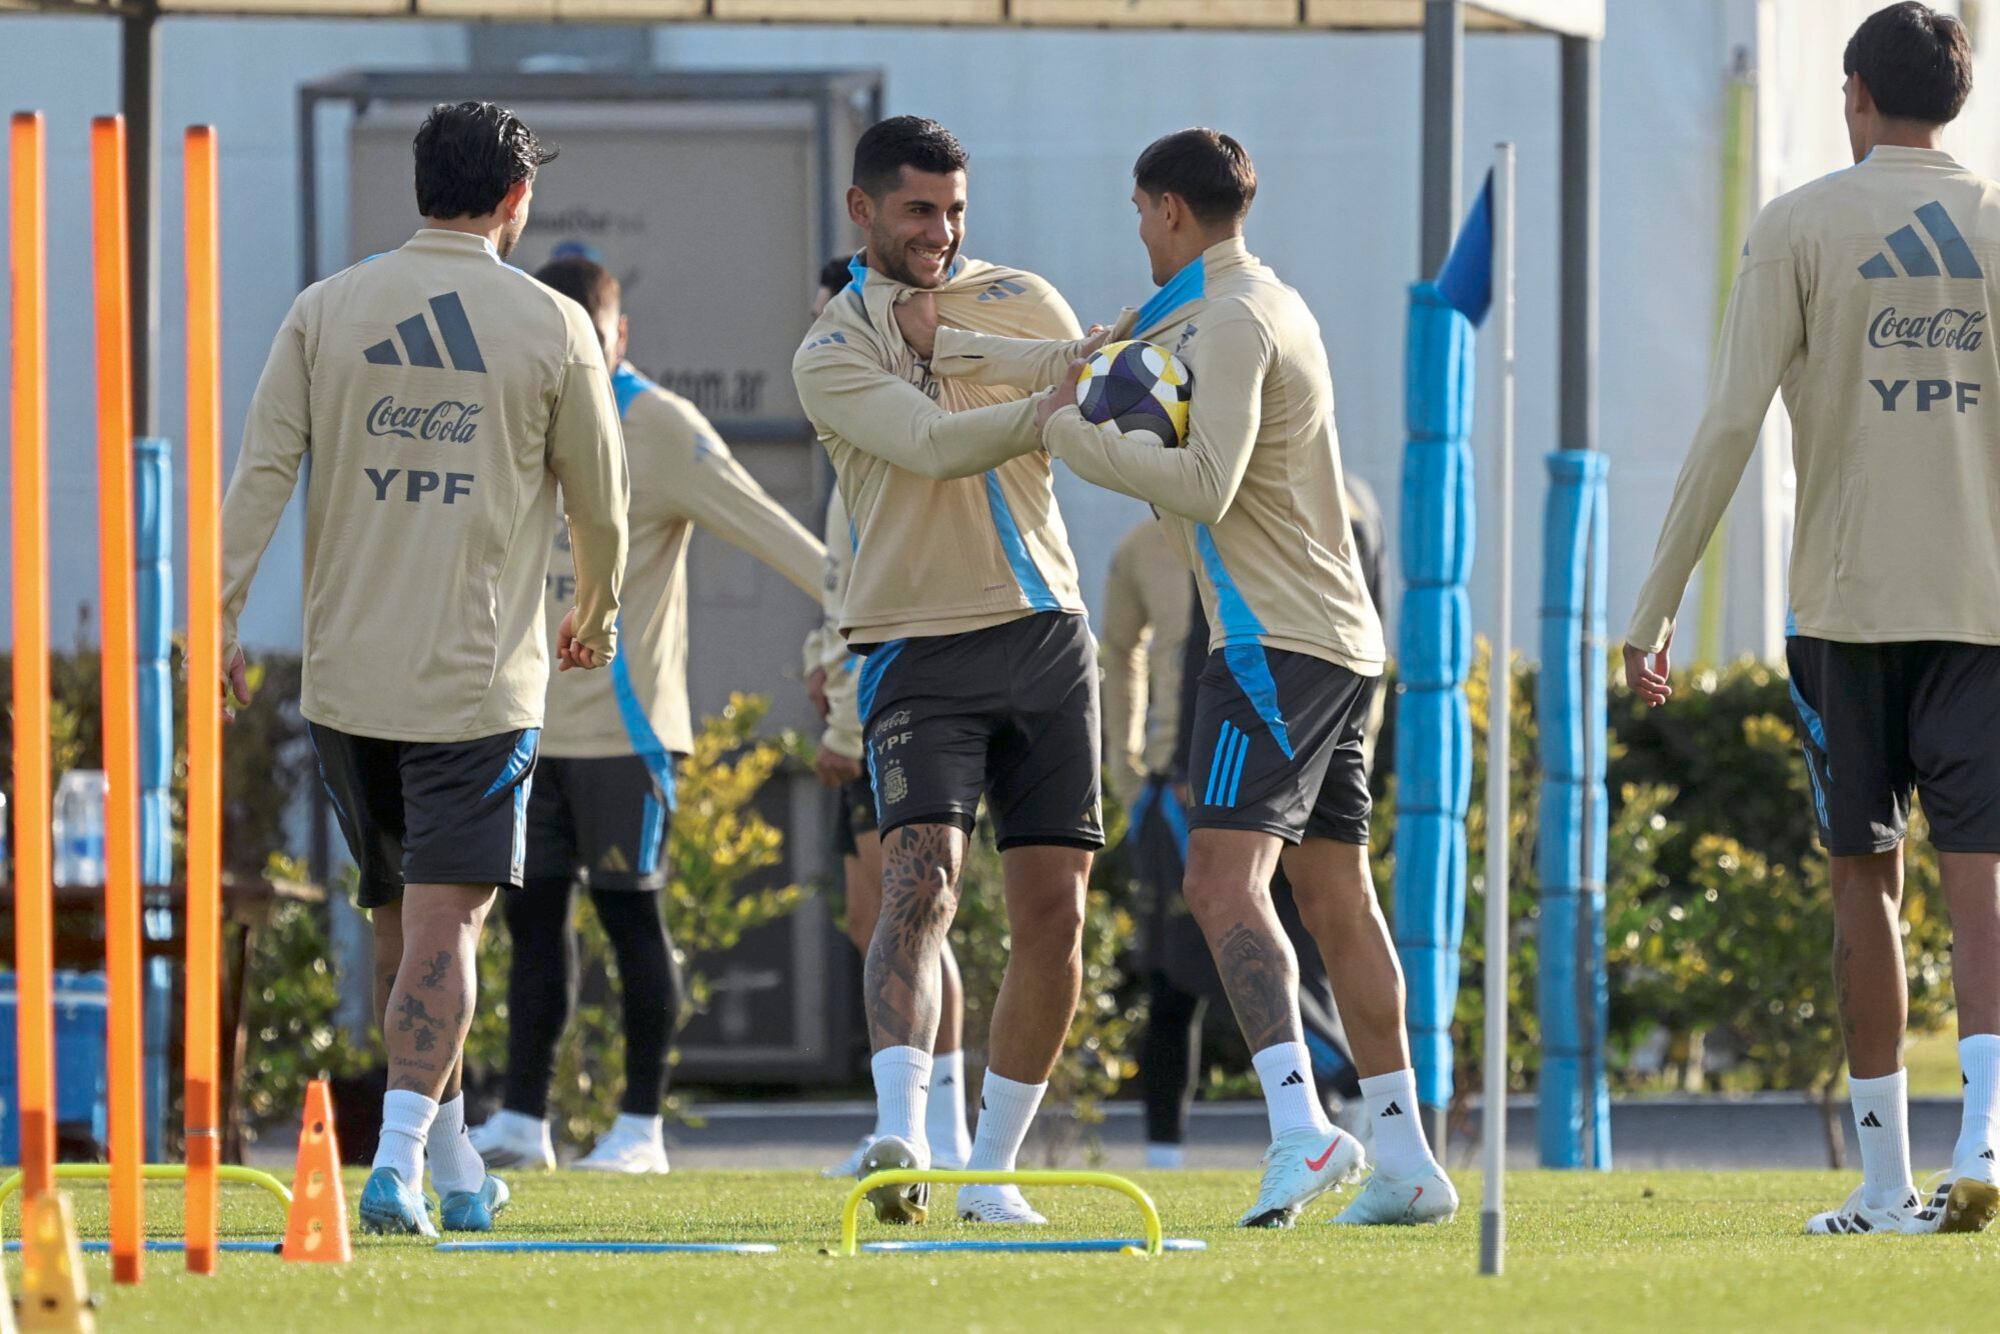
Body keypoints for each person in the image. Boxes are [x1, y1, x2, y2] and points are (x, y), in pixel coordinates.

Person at [902, 128, 1454, 1227]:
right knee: (1333, 890)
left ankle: (1299, 1128)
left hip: (1272, 640)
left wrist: (1064, 436)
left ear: (1163, 209)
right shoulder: (1225, 304)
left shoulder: (1237, 318)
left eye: (1135, 214)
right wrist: (952, 345)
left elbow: (1201, 482)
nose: (1135, 234)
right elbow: (1091, 363)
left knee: (1217, 881)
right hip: (1334, 639)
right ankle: (1406, 1159)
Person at [219, 101, 629, 1235]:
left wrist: (210, 624)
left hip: (349, 676)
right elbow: (604, 504)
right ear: (516, 201)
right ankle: (396, 1163)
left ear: (418, 187)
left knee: (402, 925)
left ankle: (453, 1170)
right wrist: (592, 610)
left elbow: (259, 478)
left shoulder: (324, 308)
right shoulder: (550, 325)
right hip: (474, 680)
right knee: (448, 926)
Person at [1624, 3, 1999, 1236]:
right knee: (1979, 877)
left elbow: (1729, 423)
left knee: (1863, 878)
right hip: (1983, 605)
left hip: (1843, 608)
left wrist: (1655, 603)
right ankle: (1985, 1137)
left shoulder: (1795, 225)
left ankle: (1886, 1182)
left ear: (1852, 93)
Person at [793, 116, 1104, 1226]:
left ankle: (992, 1170)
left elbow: (1076, 386)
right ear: (863, 210)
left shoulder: (1023, 295)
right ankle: (901, 1130)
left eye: (955, 209)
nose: (942, 230)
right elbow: (928, 441)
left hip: (1045, 629)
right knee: (915, 888)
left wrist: (1099, 376)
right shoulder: (828, 349)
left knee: (1053, 914)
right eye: (919, 209)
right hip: (912, 642)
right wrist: (1052, 399)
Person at [468, 256, 825, 1174]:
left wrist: (866, 610)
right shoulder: (509, 413)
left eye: (592, 335)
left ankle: (640, 1129)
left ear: (619, 337)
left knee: (632, 923)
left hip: (624, 730)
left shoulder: (659, 426)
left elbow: (768, 527)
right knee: (531, 927)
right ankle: (521, 1120)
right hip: (522, 723)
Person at [807, 482, 978, 1175]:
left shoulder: (894, 449)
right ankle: (908, 1125)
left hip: (891, 710)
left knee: (913, 916)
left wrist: (847, 724)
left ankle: (935, 1128)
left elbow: (886, 605)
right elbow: (841, 591)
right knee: (868, 918)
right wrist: (821, 655)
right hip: (860, 706)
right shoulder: (847, 464)